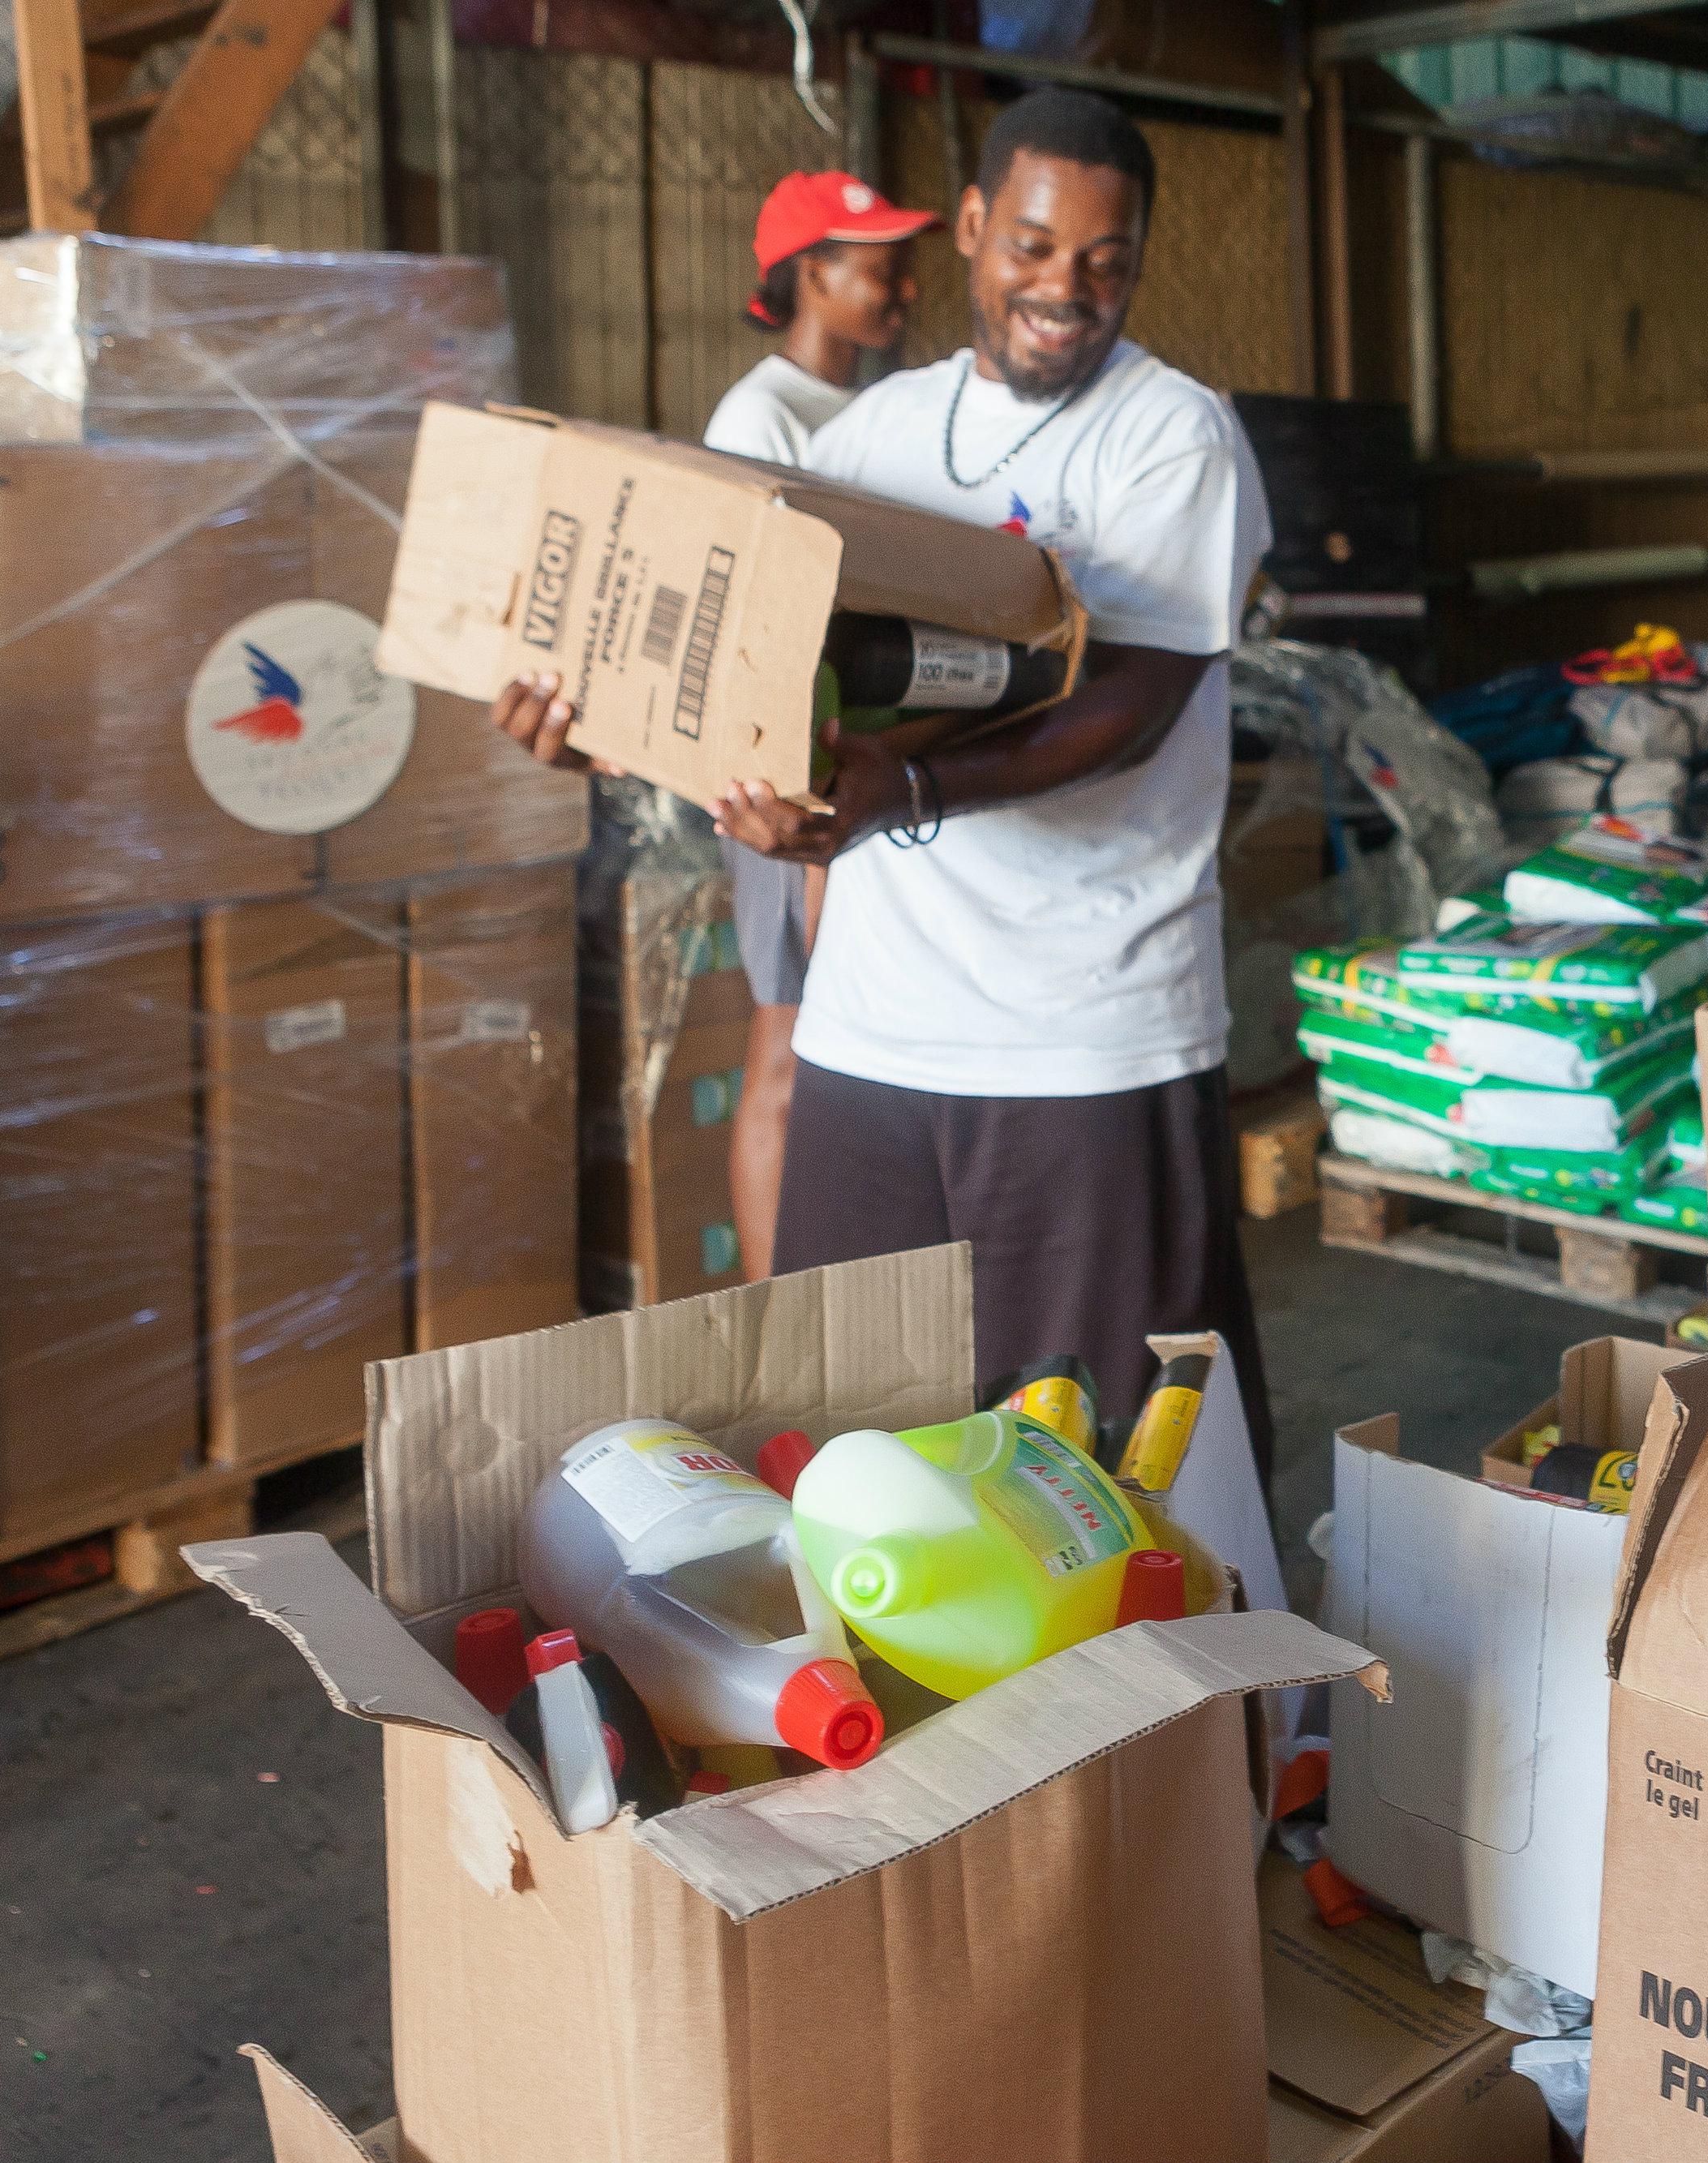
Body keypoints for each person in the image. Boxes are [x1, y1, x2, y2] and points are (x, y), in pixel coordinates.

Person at [489, 89, 1278, 1466]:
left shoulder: (1173, 435)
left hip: (1082, 1031)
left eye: (1107, 259)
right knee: (863, 1455)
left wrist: (895, 799)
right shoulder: (872, 438)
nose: (1065, 290)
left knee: (1115, 1478)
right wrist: (606, 726)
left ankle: (1212, 1697)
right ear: (976, 229)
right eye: (1034, 247)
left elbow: (1139, 706)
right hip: (872, 1034)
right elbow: (758, 680)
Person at [702, 170, 933, 1281]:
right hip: (782, 777)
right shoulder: (762, 416)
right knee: (788, 1048)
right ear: (812, 274)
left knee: (849, 1050)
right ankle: (773, 1311)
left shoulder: (877, 414)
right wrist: (802, 820)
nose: (903, 286)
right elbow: (763, 627)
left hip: (864, 765)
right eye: (880, 265)